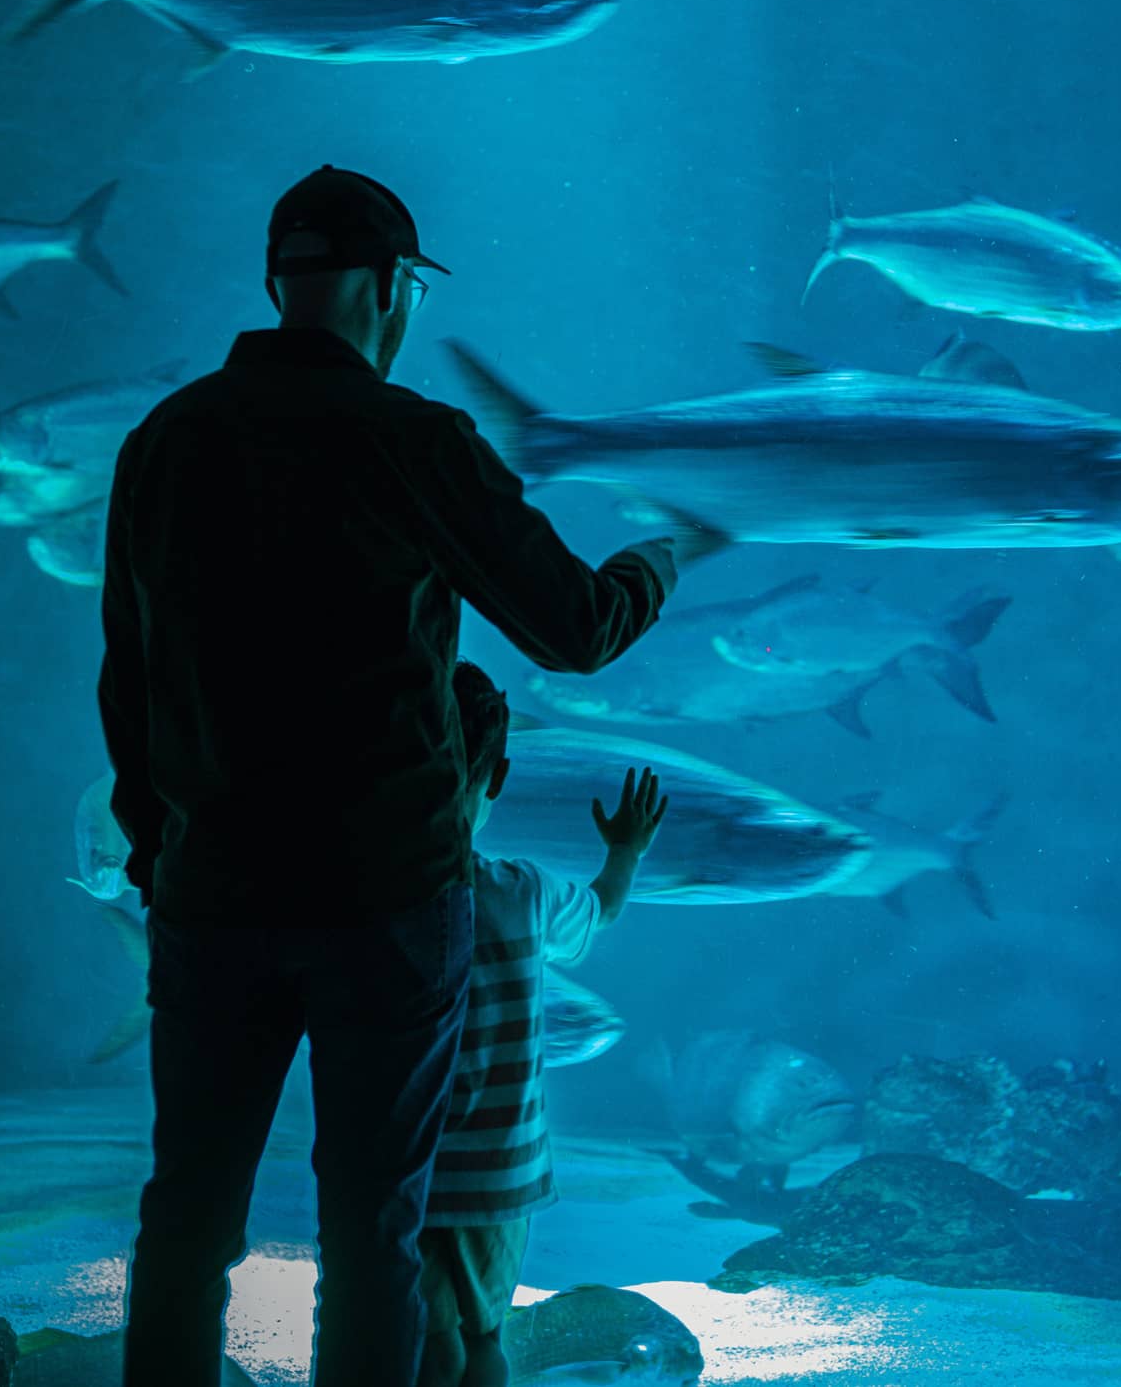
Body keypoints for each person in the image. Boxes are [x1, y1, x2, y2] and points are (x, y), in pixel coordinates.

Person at [99, 165, 701, 1387]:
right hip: (385, 899)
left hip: (213, 889)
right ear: (389, 288)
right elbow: (574, 629)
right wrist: (657, 562)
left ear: (279, 283)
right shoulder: (412, 439)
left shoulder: (168, 438)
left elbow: (128, 677)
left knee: (188, 1220)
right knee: (373, 1227)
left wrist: (158, 854)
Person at [416, 662, 665, 1387]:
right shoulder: (522, 893)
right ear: (497, 777)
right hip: (500, 1171)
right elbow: (604, 908)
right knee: (481, 1332)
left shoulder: (371, 900)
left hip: (403, 1162)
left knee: (418, 1324)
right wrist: (625, 850)